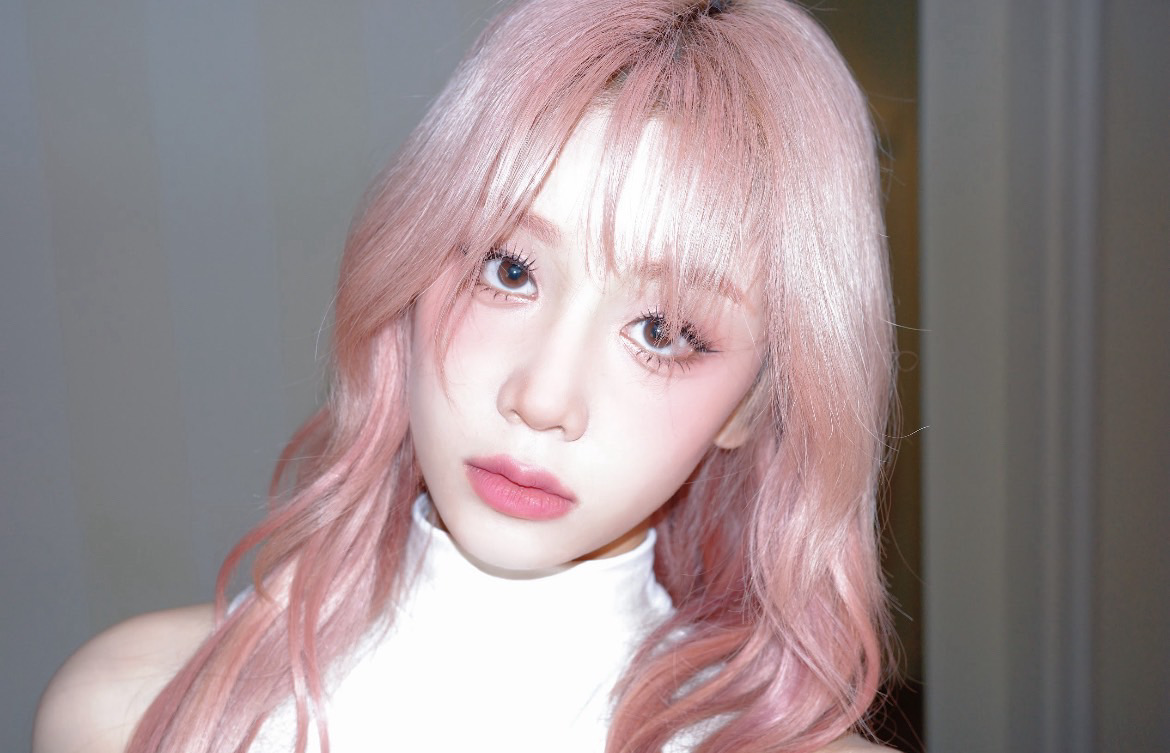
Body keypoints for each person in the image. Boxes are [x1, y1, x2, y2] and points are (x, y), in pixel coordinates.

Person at [33, 0, 898, 751]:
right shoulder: (133, 712)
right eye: (509, 270)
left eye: (663, 332)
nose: (542, 399)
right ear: (411, 269)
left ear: (752, 402)